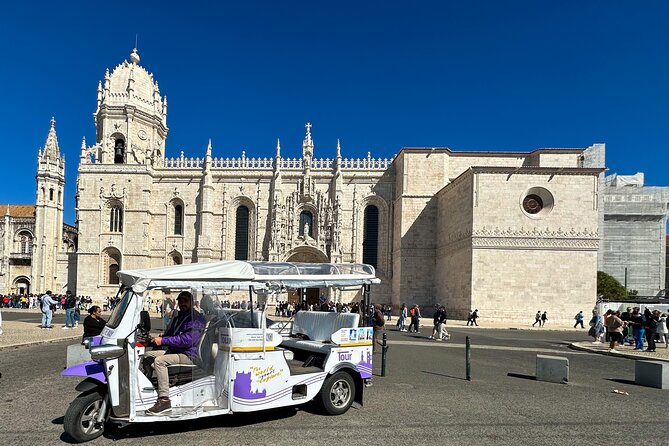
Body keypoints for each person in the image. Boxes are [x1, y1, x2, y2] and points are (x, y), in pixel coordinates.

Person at [142, 291, 205, 415]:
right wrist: (151, 342)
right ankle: (151, 387)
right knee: (147, 356)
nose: (182, 303)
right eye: (180, 300)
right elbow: (168, 336)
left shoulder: (196, 319)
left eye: (185, 301)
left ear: (192, 302)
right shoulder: (178, 318)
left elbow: (188, 341)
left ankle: (164, 400)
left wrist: (163, 340)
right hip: (176, 351)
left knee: (160, 361)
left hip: (189, 355)